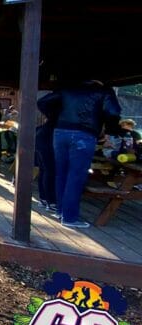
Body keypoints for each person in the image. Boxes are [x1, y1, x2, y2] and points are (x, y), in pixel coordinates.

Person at [37, 80, 121, 228]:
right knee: (76, 176)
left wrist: (56, 117)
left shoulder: (68, 87)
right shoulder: (104, 91)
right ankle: (69, 218)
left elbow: (43, 102)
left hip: (60, 132)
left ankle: (61, 211)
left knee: (61, 173)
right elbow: (113, 112)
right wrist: (109, 131)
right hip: (84, 133)